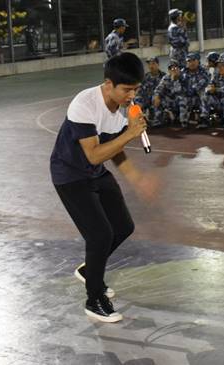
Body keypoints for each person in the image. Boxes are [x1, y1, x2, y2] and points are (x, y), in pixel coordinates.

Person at [50, 52, 158, 323]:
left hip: (95, 173)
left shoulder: (120, 110)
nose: (132, 95)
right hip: (70, 175)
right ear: (109, 84)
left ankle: (90, 270)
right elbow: (94, 155)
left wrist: (137, 179)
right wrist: (130, 133)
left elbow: (115, 150)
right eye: (127, 89)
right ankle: (94, 299)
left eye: (136, 89)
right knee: (99, 235)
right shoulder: (84, 104)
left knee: (123, 227)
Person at [153, 61, 187, 128]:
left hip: (182, 100)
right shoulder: (166, 78)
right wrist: (157, 96)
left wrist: (175, 80)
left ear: (179, 69)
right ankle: (158, 120)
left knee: (183, 99)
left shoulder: (184, 77)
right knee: (156, 98)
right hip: (170, 100)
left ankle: (183, 121)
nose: (173, 70)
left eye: (175, 68)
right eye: (171, 68)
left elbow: (181, 92)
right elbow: (158, 89)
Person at [136, 57, 165, 126]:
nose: (151, 66)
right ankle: (139, 119)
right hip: (147, 100)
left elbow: (168, 90)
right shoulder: (145, 77)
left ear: (158, 64)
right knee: (136, 100)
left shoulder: (164, 76)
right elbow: (139, 90)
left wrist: (159, 97)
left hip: (158, 101)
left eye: (153, 64)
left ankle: (162, 116)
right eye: (149, 64)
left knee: (157, 123)